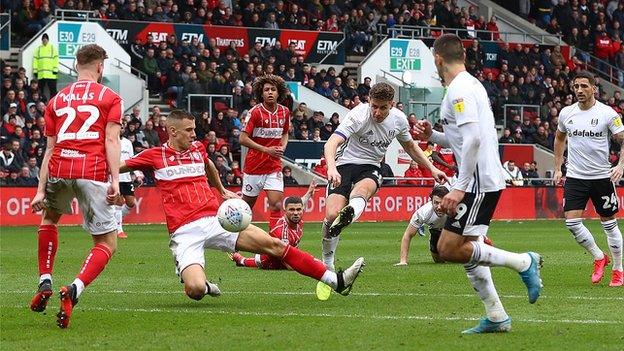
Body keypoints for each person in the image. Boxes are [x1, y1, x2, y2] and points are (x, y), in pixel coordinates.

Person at [120, 110, 364, 302]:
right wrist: (102, 178)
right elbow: (118, 167)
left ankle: (336, 281)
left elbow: (208, 166)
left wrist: (222, 189)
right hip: (184, 231)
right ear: (172, 131)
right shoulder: (153, 156)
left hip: (215, 219)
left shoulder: (197, 148)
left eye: (195, 129)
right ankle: (202, 284)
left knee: (276, 245)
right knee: (194, 290)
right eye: (189, 130)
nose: (195, 134)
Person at [413, 34, 542, 334]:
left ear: (438, 59)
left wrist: (460, 186)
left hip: (477, 182)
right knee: (467, 247)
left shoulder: (458, 90)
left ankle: (524, 262)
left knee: (447, 248)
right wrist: (432, 136)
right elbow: (462, 138)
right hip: (482, 179)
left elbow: (473, 140)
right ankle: (496, 316)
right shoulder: (471, 85)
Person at [28, 44, 122, 329]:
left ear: (76, 65)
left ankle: (45, 279)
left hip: (59, 167)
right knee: (106, 242)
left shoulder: (56, 100)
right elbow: (111, 140)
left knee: (49, 219)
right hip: (90, 170)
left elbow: (49, 148)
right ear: (100, 67)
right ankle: (75, 289)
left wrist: (40, 190)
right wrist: (115, 180)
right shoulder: (110, 97)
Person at [321, 82, 447, 272]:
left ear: (392, 104)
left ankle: (350, 213)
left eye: (383, 108)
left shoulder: (399, 120)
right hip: (344, 165)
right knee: (331, 215)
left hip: (371, 166)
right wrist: (331, 168)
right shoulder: (358, 115)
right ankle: (327, 261)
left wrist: (432, 168)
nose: (377, 112)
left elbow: (411, 147)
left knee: (362, 190)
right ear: (368, 101)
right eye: (374, 106)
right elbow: (331, 143)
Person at [553, 71, 624, 287]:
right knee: (572, 223)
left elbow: (623, 139)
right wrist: (557, 168)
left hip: (602, 177)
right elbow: (559, 138)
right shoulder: (567, 113)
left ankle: (618, 269)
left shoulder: (607, 113)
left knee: (609, 225)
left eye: (584, 86)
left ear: (594, 88)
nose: (580, 90)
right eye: (576, 87)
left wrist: (621, 165)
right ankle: (599, 256)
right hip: (576, 176)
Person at [239, 75, 290, 234]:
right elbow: (242, 138)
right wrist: (266, 149)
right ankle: (236, 237)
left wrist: (283, 146)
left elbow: (285, 133)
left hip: (273, 167)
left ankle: (275, 241)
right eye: (266, 90)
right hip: (254, 167)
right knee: (246, 207)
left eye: (273, 90)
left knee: (276, 205)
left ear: (278, 93)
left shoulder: (284, 112)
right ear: (261, 94)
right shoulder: (255, 112)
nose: (270, 92)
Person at [229, 180, 316, 269]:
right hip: (271, 261)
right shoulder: (283, 233)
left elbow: (302, 203)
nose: (296, 213)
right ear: (285, 211)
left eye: (298, 209)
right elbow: (288, 264)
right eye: (292, 210)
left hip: (287, 252)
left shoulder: (297, 219)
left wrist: (308, 193)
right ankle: (240, 259)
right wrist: (307, 267)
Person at [395, 186, 449, 265]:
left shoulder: (456, 208)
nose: (439, 207)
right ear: (431, 201)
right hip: (436, 231)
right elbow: (408, 235)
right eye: (436, 203)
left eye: (442, 203)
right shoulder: (423, 213)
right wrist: (403, 261)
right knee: (439, 261)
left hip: (453, 231)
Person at [114, 129, 144, 239]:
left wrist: (137, 174)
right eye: (119, 127)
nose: (121, 129)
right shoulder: (111, 141)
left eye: (122, 127)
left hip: (126, 178)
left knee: (131, 203)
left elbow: (132, 160)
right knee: (119, 202)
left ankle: (114, 221)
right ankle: (119, 229)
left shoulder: (128, 142)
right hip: (115, 177)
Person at [32, 33, 59, 99]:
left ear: (48, 40)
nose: (44, 41)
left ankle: (52, 104)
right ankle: (42, 102)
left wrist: (55, 69)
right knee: (40, 91)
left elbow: (56, 59)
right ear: (42, 40)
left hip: (51, 74)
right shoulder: (38, 49)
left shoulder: (52, 48)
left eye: (45, 39)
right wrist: (35, 71)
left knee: (53, 91)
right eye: (43, 40)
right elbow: (35, 60)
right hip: (41, 74)